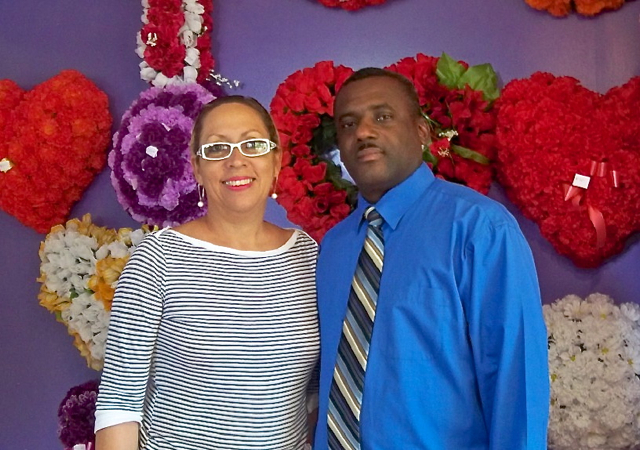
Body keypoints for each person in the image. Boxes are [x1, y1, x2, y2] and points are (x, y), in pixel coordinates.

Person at [313, 68, 550, 449]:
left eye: (383, 116)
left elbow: (515, 380)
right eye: (348, 123)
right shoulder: (333, 248)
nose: (363, 132)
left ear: (422, 133)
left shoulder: (480, 230)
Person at [95, 96, 319, 450]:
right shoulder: (157, 259)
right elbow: (119, 404)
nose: (236, 160)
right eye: (217, 148)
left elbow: (314, 395)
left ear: (276, 160)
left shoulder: (308, 256)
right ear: (197, 168)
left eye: (253, 144)